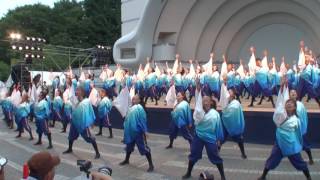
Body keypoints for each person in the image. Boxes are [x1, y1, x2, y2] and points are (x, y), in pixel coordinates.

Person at [258, 99, 311, 180]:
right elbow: (276, 114)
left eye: (291, 103)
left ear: (294, 107)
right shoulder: (280, 117)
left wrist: (298, 145)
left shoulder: (296, 120)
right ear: (285, 106)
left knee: (300, 163)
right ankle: (263, 176)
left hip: (291, 146)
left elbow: (298, 134)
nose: (289, 104)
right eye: (287, 103)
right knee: (272, 160)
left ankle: (309, 177)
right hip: (280, 144)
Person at [182, 96, 225, 180]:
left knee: (215, 156)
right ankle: (188, 172)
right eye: (203, 101)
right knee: (193, 154)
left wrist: (219, 139)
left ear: (210, 102)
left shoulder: (215, 114)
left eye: (207, 101)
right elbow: (195, 122)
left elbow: (218, 127)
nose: (205, 102)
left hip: (211, 138)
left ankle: (223, 176)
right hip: (198, 136)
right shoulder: (199, 113)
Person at [63, 87, 101, 159]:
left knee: (89, 137)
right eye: (76, 90)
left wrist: (92, 122)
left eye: (78, 90)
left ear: (82, 92)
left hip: (83, 123)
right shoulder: (75, 101)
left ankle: (97, 153)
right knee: (71, 136)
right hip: (74, 122)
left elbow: (90, 111)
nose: (76, 91)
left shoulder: (86, 101)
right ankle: (70, 149)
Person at [119, 95, 154, 172]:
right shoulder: (130, 108)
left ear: (139, 100)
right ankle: (126, 160)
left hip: (138, 133)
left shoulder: (139, 108)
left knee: (144, 148)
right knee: (129, 147)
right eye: (132, 98)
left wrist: (145, 131)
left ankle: (151, 165)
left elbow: (142, 120)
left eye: (135, 99)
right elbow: (127, 120)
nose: (133, 99)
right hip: (130, 133)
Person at [220, 89, 247, 159]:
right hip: (226, 123)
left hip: (234, 125)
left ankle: (243, 153)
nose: (228, 93)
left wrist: (225, 113)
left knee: (239, 139)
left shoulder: (236, 103)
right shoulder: (227, 102)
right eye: (227, 92)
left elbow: (232, 113)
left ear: (233, 95)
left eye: (229, 92)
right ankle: (216, 153)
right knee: (221, 138)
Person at [289, 89, 314, 164]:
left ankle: (310, 158)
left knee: (305, 145)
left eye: (294, 92)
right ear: (289, 95)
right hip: (291, 130)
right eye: (291, 92)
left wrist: (304, 127)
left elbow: (304, 116)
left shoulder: (300, 104)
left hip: (300, 129)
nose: (293, 93)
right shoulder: (287, 104)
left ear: (296, 95)